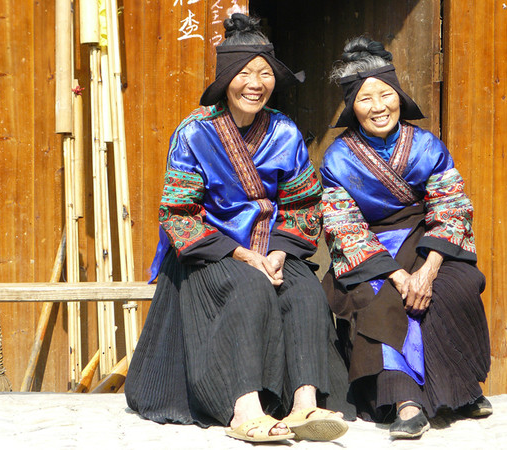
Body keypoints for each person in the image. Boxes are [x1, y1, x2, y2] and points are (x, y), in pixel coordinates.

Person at [124, 14, 353, 443]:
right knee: (250, 288)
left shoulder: (284, 131)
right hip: (212, 251)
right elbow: (178, 213)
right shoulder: (195, 133)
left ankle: (305, 406)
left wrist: (282, 251)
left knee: (303, 290)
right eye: (244, 73)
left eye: (264, 73)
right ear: (226, 78)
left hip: (273, 248)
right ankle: (244, 410)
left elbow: (303, 204)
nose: (256, 83)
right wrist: (242, 254)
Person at [320, 36, 492, 439]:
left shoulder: (427, 145)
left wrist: (429, 269)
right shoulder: (338, 158)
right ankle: (406, 402)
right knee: (378, 297)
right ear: (351, 108)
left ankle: (459, 391)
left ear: (399, 95)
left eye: (386, 94)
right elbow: (344, 225)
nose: (378, 106)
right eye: (365, 99)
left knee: (456, 285)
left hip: (425, 239)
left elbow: (452, 206)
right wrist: (399, 276)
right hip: (371, 251)